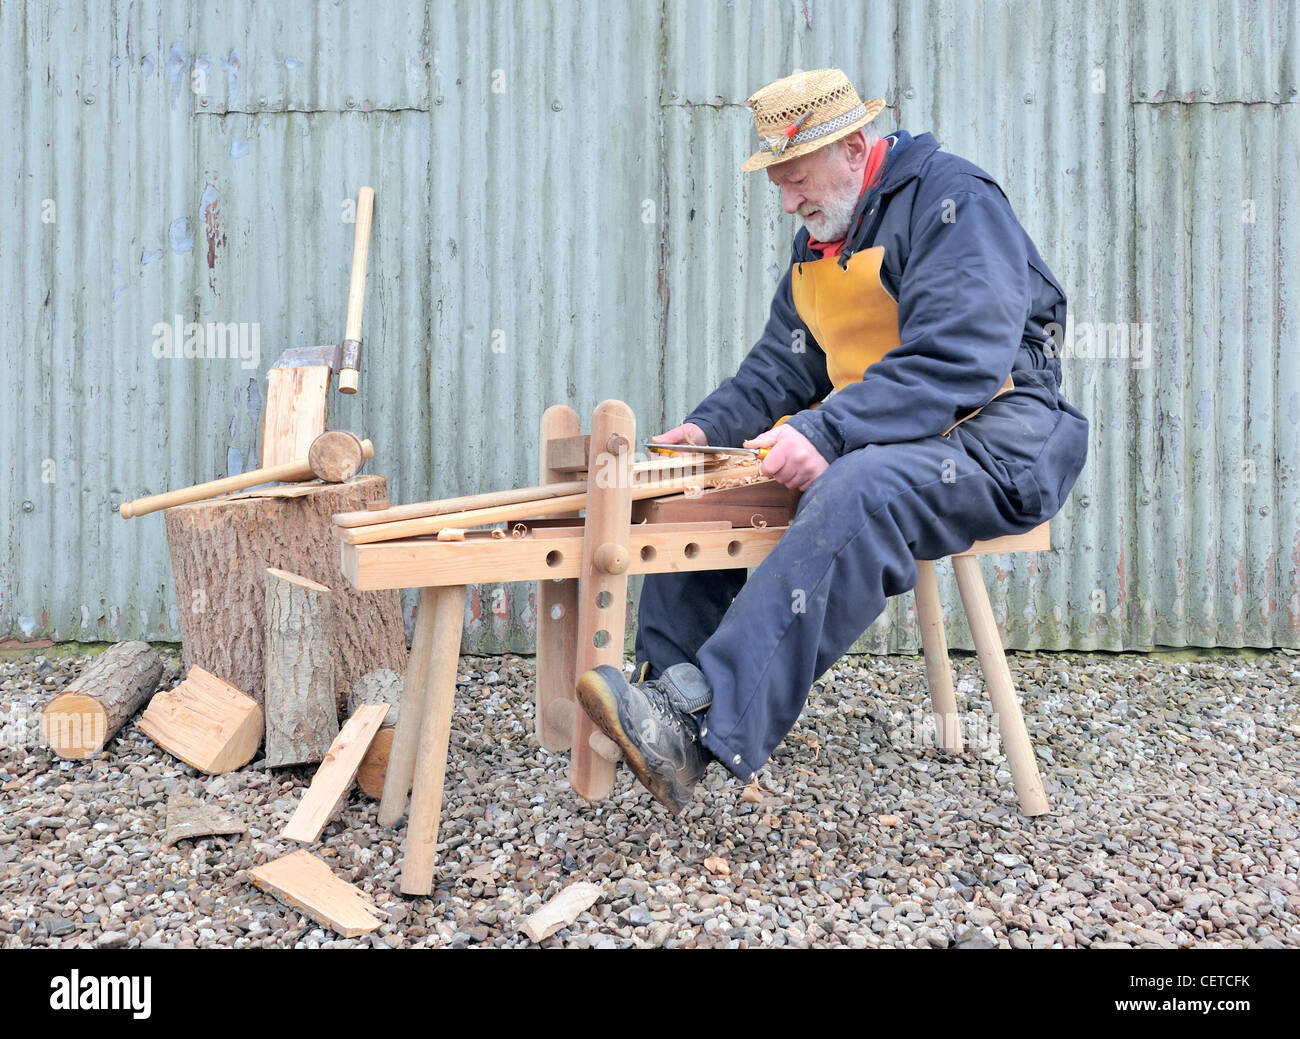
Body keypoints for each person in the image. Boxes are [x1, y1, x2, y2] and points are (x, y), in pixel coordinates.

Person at [576, 68, 1089, 814]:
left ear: (854, 147)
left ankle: (701, 724)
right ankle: (660, 705)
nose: (790, 201)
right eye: (780, 185)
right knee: (710, 484)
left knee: (858, 487)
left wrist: (829, 428)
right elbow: (785, 363)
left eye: (798, 179)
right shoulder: (822, 236)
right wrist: (710, 431)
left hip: (1001, 440)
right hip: (890, 435)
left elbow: (963, 357)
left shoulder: (955, 203)